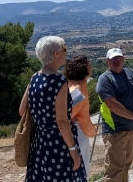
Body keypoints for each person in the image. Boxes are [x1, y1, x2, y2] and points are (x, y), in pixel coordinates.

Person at [19, 36, 87, 182]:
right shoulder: (59, 82)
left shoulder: (34, 78)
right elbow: (62, 121)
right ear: (56, 54)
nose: (66, 52)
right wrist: (73, 150)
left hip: (39, 142)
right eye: (64, 49)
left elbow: (22, 110)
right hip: (58, 143)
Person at [96, 48, 133, 182]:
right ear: (107, 62)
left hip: (131, 128)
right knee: (115, 170)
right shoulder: (105, 79)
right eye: (113, 58)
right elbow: (112, 104)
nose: (117, 60)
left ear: (123, 59)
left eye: (119, 58)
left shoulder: (130, 73)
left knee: (126, 166)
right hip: (115, 131)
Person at [64, 55, 97, 180]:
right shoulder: (78, 89)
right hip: (76, 131)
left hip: (74, 131)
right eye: (89, 64)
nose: (91, 67)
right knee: (81, 169)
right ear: (83, 68)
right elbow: (68, 112)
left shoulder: (70, 84)